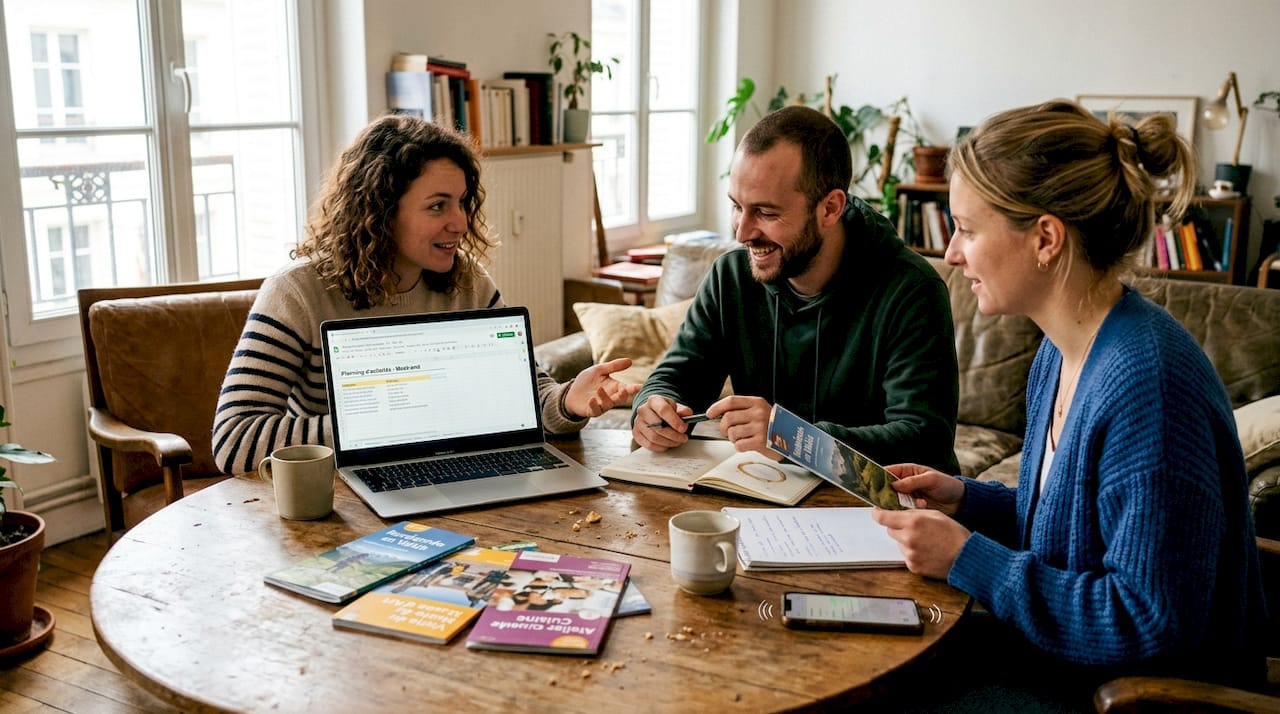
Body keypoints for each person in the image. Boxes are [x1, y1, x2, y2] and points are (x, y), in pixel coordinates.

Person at [872, 100, 1266, 707]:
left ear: (1046, 239)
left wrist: (968, 558)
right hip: (1053, 662)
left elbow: (1146, 623)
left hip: (1131, 699)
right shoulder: (1060, 353)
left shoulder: (1148, 387)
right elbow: (1071, 531)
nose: (950, 253)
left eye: (968, 229)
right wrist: (966, 501)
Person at [212, 114, 638, 474]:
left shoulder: (469, 283)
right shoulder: (298, 291)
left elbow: (527, 398)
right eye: (438, 205)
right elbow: (234, 439)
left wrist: (568, 400)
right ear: (380, 210)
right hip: (340, 497)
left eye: (462, 202)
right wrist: (393, 423)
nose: (461, 222)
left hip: (457, 478)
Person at [631, 105, 959, 474]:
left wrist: (790, 437)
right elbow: (676, 377)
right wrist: (655, 405)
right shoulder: (731, 276)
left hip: (872, 503)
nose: (742, 233)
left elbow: (925, 441)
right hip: (765, 491)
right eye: (737, 206)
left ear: (830, 208)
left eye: (766, 213)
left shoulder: (912, 290)